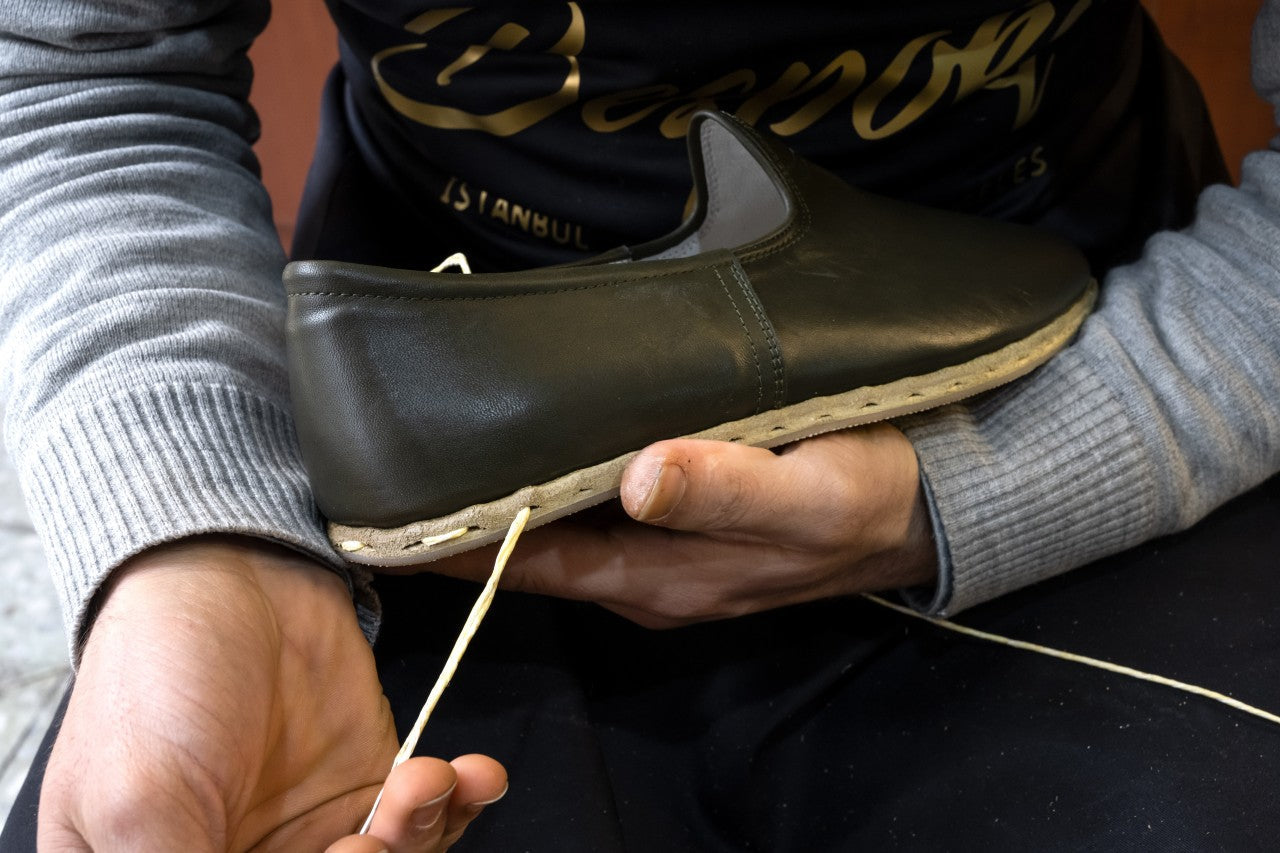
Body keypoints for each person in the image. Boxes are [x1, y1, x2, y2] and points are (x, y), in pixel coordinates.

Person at [2, 0, 1279, 849]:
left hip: (1074, 342)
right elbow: (81, 74)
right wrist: (196, 539)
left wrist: (1001, 475)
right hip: (438, 412)